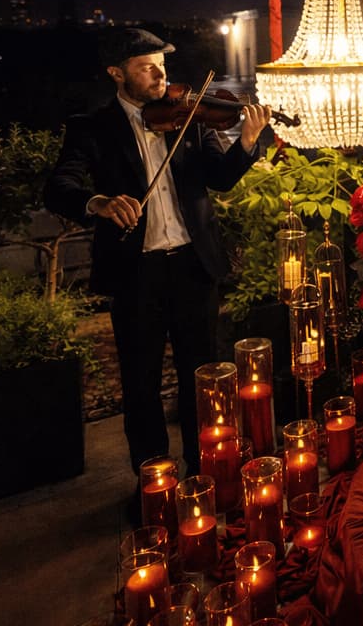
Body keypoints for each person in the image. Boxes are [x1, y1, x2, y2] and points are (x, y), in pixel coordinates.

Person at [43, 27, 271, 484]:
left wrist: (247, 141)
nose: (159, 76)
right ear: (116, 74)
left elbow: (220, 178)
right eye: (146, 68)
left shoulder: (186, 117)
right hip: (135, 273)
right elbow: (59, 187)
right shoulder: (92, 127)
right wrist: (99, 203)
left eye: (162, 66)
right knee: (142, 384)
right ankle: (156, 485)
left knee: (201, 378)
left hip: (192, 266)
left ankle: (206, 472)